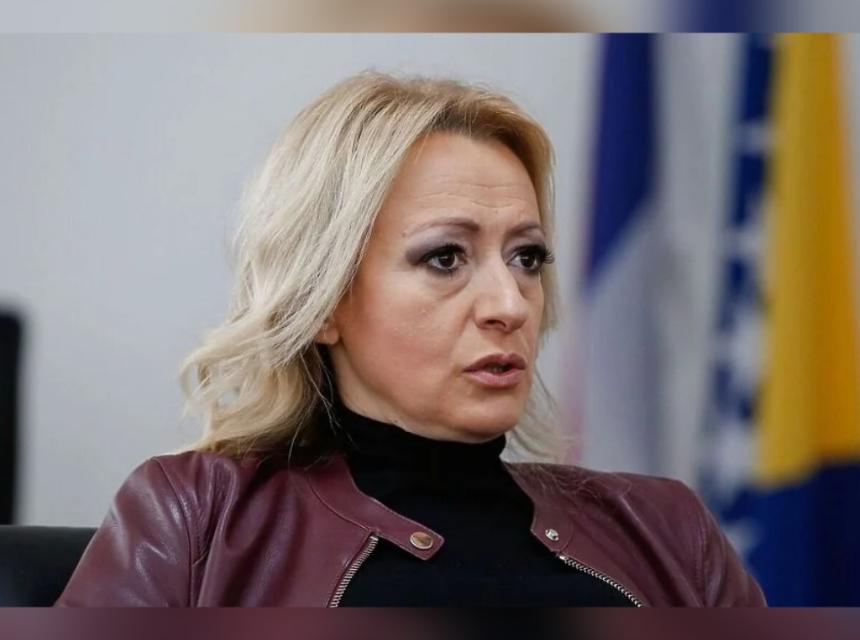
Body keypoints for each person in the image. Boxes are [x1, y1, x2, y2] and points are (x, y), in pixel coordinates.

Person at [56, 72, 765, 607]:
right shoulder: (195, 518)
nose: (509, 304)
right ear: (325, 301)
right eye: (445, 258)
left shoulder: (668, 530)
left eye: (527, 258)